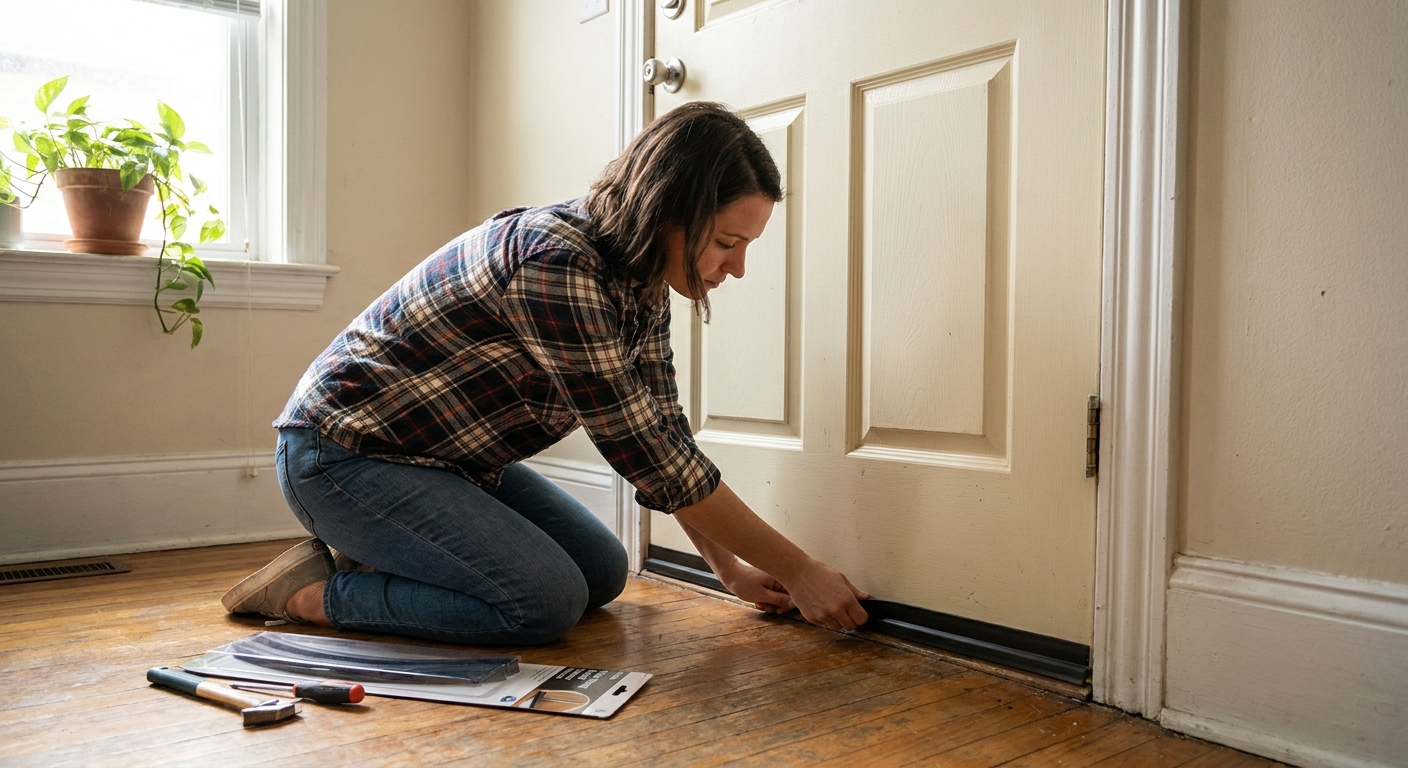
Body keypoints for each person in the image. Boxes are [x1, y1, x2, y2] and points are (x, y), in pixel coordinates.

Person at [221, 102, 870, 646]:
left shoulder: (640, 282)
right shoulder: (556, 264)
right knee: (542, 604)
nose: (738, 268)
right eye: (728, 242)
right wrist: (801, 569)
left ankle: (385, 550)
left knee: (602, 572)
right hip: (341, 457)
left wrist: (729, 571)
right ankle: (311, 593)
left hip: (447, 463)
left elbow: (665, 440)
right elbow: (651, 458)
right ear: (669, 211)